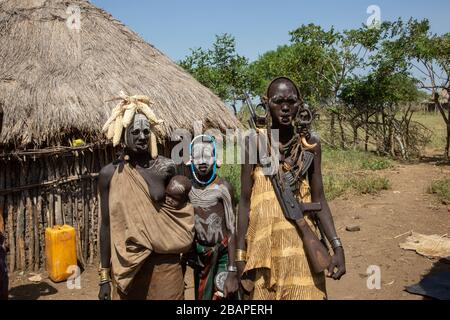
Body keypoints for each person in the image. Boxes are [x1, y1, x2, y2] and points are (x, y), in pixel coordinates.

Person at [236, 77, 346, 300]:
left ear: (300, 105)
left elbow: (320, 199)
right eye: (278, 101)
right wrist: (239, 255)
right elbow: (245, 202)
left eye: (291, 101)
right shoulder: (254, 143)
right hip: (264, 247)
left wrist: (337, 246)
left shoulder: (310, 144)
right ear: (266, 105)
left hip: (301, 249)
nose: (285, 108)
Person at [97, 93, 195, 300]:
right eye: (135, 132)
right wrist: (104, 276)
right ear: (124, 135)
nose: (141, 136)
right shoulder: (110, 174)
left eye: (145, 131)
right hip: (129, 266)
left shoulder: (166, 167)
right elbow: (106, 225)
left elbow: (182, 213)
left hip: (165, 265)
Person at [187, 135, 239, 300]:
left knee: (223, 295)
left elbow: (232, 230)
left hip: (222, 254)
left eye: (207, 156)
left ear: (216, 159)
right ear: (191, 160)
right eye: (198, 156)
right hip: (201, 256)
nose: (202, 161)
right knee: (203, 296)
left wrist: (232, 269)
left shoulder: (223, 188)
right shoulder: (188, 189)